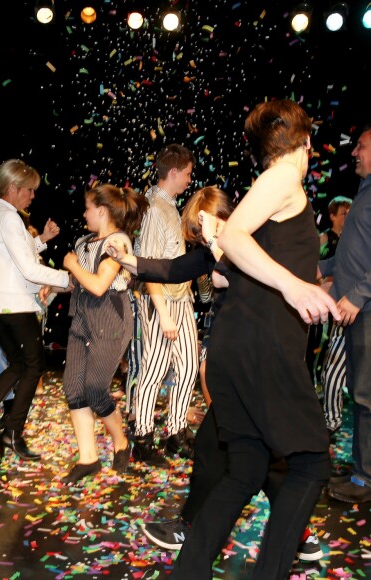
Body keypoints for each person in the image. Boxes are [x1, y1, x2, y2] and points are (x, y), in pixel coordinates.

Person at [107, 186, 325, 563]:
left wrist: (219, 239)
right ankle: (293, 535)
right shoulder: (218, 247)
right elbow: (174, 269)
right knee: (249, 460)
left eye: (206, 226)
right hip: (239, 367)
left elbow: (232, 274)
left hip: (260, 366)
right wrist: (129, 262)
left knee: (242, 457)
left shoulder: (255, 246)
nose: (203, 236)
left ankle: (200, 532)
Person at [170, 99, 338, 578]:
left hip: (235, 346)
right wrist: (294, 284)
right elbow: (236, 237)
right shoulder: (285, 177)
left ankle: (189, 571)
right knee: (311, 465)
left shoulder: (267, 189)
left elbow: (226, 269)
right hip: (263, 347)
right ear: (305, 142)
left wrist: (300, 279)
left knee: (245, 469)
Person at [0, 159, 71, 461]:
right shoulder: (9, 217)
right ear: (13, 188)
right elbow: (29, 269)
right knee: (34, 366)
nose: (32, 196)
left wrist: (42, 241)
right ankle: (10, 431)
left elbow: (14, 252)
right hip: (14, 305)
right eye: (29, 190)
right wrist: (68, 279)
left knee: (19, 365)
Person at [56, 183, 149, 484]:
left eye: (87, 208)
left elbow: (98, 284)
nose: (84, 214)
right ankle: (88, 458)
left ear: (102, 210)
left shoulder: (119, 242)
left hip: (109, 317)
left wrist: (70, 263)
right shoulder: (84, 241)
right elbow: (78, 283)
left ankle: (121, 442)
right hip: (81, 317)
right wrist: (54, 283)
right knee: (74, 388)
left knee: (95, 388)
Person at [131, 143, 198, 465]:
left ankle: (176, 431)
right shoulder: (154, 209)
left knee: (188, 368)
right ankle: (142, 438)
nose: (189, 180)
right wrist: (162, 314)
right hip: (161, 303)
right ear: (173, 173)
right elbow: (147, 266)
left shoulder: (170, 207)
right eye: (186, 174)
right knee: (154, 369)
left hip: (181, 299)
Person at [321, 123, 371, 504]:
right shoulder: (365, 192)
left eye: (362, 146)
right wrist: (320, 270)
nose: (354, 152)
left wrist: (357, 295)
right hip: (360, 310)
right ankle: (361, 468)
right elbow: (352, 255)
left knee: (366, 395)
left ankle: (364, 478)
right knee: (361, 394)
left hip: (367, 310)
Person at [317, 196, 351, 435]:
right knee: (332, 369)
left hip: (354, 306)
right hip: (336, 305)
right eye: (343, 213)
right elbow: (331, 264)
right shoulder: (327, 238)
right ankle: (332, 421)